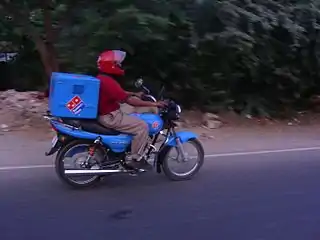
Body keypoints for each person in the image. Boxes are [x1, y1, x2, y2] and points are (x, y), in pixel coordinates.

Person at [96, 50, 166, 170]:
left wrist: (135, 93)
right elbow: (129, 100)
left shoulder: (102, 78)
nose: (119, 65)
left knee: (132, 116)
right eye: (117, 63)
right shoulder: (108, 81)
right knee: (142, 126)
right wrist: (155, 104)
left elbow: (120, 93)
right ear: (110, 65)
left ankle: (124, 150)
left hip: (107, 113)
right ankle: (136, 159)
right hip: (110, 116)